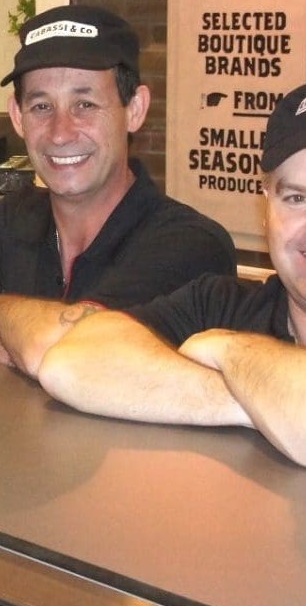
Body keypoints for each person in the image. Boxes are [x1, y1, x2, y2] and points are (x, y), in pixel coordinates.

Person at [0, 4, 236, 363]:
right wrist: (19, 347)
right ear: (17, 116)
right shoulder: (12, 221)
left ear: (135, 109)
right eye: (42, 107)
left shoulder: (190, 244)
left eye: (86, 105)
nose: (61, 134)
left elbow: (75, 352)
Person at [29, 82, 306, 466]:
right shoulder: (220, 305)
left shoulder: (222, 333)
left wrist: (230, 350)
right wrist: (260, 403)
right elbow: (69, 363)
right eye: (296, 198)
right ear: (267, 209)